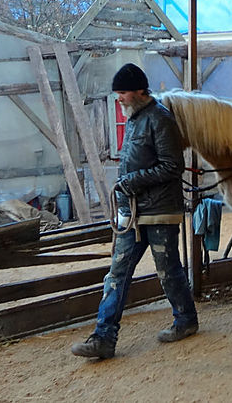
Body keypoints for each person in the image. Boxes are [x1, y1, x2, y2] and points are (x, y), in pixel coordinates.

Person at [72, 63, 198, 360]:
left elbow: (172, 166)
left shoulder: (161, 119)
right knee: (116, 273)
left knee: (168, 271)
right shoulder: (133, 119)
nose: (119, 98)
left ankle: (186, 320)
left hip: (159, 211)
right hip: (133, 211)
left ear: (140, 91)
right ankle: (103, 337)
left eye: (123, 93)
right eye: (118, 93)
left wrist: (131, 181)